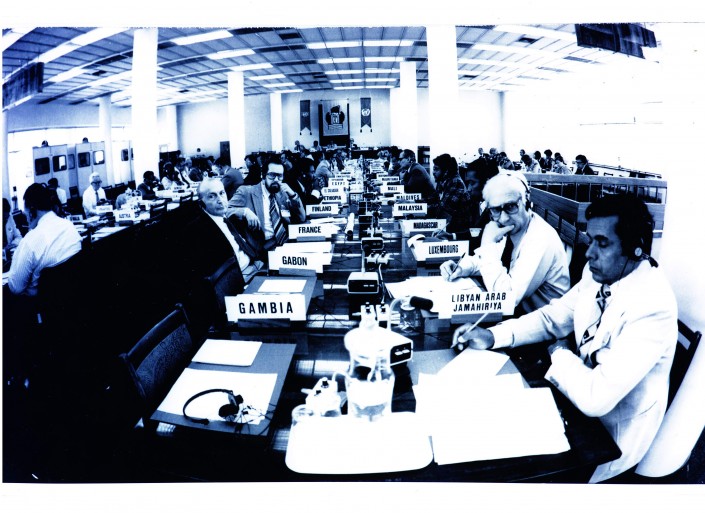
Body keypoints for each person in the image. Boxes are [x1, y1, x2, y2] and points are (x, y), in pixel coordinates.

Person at [452, 194, 677, 484]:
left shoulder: (653, 305)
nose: (589, 253)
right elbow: (553, 317)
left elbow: (596, 399)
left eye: (602, 243)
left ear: (636, 248)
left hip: (608, 437)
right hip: (572, 401)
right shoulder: (598, 275)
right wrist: (492, 335)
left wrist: (559, 351)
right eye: (590, 240)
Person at [440, 173, 570, 314]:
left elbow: (505, 298)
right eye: (496, 210)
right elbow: (489, 260)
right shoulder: (513, 229)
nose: (504, 218)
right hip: (517, 317)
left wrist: (487, 244)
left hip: (540, 322)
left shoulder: (541, 238)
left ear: (526, 202)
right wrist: (462, 267)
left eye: (511, 206)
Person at [182, 178, 263, 283]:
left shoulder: (226, 218)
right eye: (212, 196)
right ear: (201, 203)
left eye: (221, 193)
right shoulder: (199, 231)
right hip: (240, 279)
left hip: (254, 266)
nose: (220, 200)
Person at [7, 184, 82, 297]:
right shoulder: (69, 226)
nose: (26, 218)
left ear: (32, 210)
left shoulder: (30, 240)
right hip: (74, 295)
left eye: (25, 212)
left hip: (44, 302)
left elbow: (15, 287)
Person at [226, 161, 306, 254]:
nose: (276, 179)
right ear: (263, 175)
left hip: (287, 243)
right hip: (263, 249)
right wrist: (244, 211)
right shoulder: (246, 192)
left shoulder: (282, 193)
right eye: (272, 175)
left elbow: (302, 218)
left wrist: (293, 195)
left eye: (280, 176)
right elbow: (225, 211)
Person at [430, 153, 473, 233]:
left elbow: (444, 207)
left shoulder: (456, 182)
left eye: (436, 169)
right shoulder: (442, 181)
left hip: (459, 229)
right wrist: (416, 202)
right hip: (448, 224)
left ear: (446, 171)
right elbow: (433, 199)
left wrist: (424, 208)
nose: (433, 172)